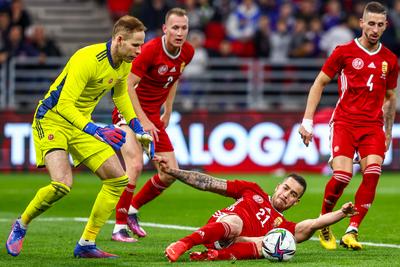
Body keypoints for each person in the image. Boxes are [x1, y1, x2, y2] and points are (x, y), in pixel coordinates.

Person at [5, 15, 153, 258]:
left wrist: (138, 128)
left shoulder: (124, 63)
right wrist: (96, 129)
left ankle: (86, 243)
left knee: (117, 180)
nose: (139, 51)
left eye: (141, 45)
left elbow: (120, 97)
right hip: (52, 119)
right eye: (136, 45)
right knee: (62, 184)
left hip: (81, 124)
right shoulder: (87, 58)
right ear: (119, 40)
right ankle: (21, 224)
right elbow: (64, 105)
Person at [298, 2, 398, 251]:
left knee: (373, 173)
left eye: (380, 24)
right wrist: (307, 122)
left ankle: (352, 230)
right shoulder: (344, 52)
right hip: (344, 122)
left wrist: (387, 132)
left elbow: (390, 97)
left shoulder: (390, 60)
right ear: (361, 23)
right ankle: (324, 221)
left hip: (372, 126)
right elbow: (319, 83)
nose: (374, 29)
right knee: (342, 176)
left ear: (386, 26)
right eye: (370, 23)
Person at [153, 156, 357, 262]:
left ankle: (210, 257)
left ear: (296, 202)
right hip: (222, 228)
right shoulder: (251, 189)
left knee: (272, 244)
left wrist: (341, 213)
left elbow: (315, 223)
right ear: (278, 187)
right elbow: (209, 182)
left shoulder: (284, 227)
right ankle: (183, 244)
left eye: (293, 195)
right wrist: (172, 172)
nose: (286, 195)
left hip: (235, 246)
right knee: (235, 223)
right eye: (286, 188)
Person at [110, 7, 194, 242]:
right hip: (128, 114)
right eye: (175, 27)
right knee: (135, 165)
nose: (180, 32)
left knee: (169, 173)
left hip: (153, 119)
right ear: (165, 29)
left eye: (184, 28)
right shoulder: (149, 51)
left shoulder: (188, 51)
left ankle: (132, 210)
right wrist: (143, 120)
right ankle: (118, 227)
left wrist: (168, 109)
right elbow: (127, 86)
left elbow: (173, 79)